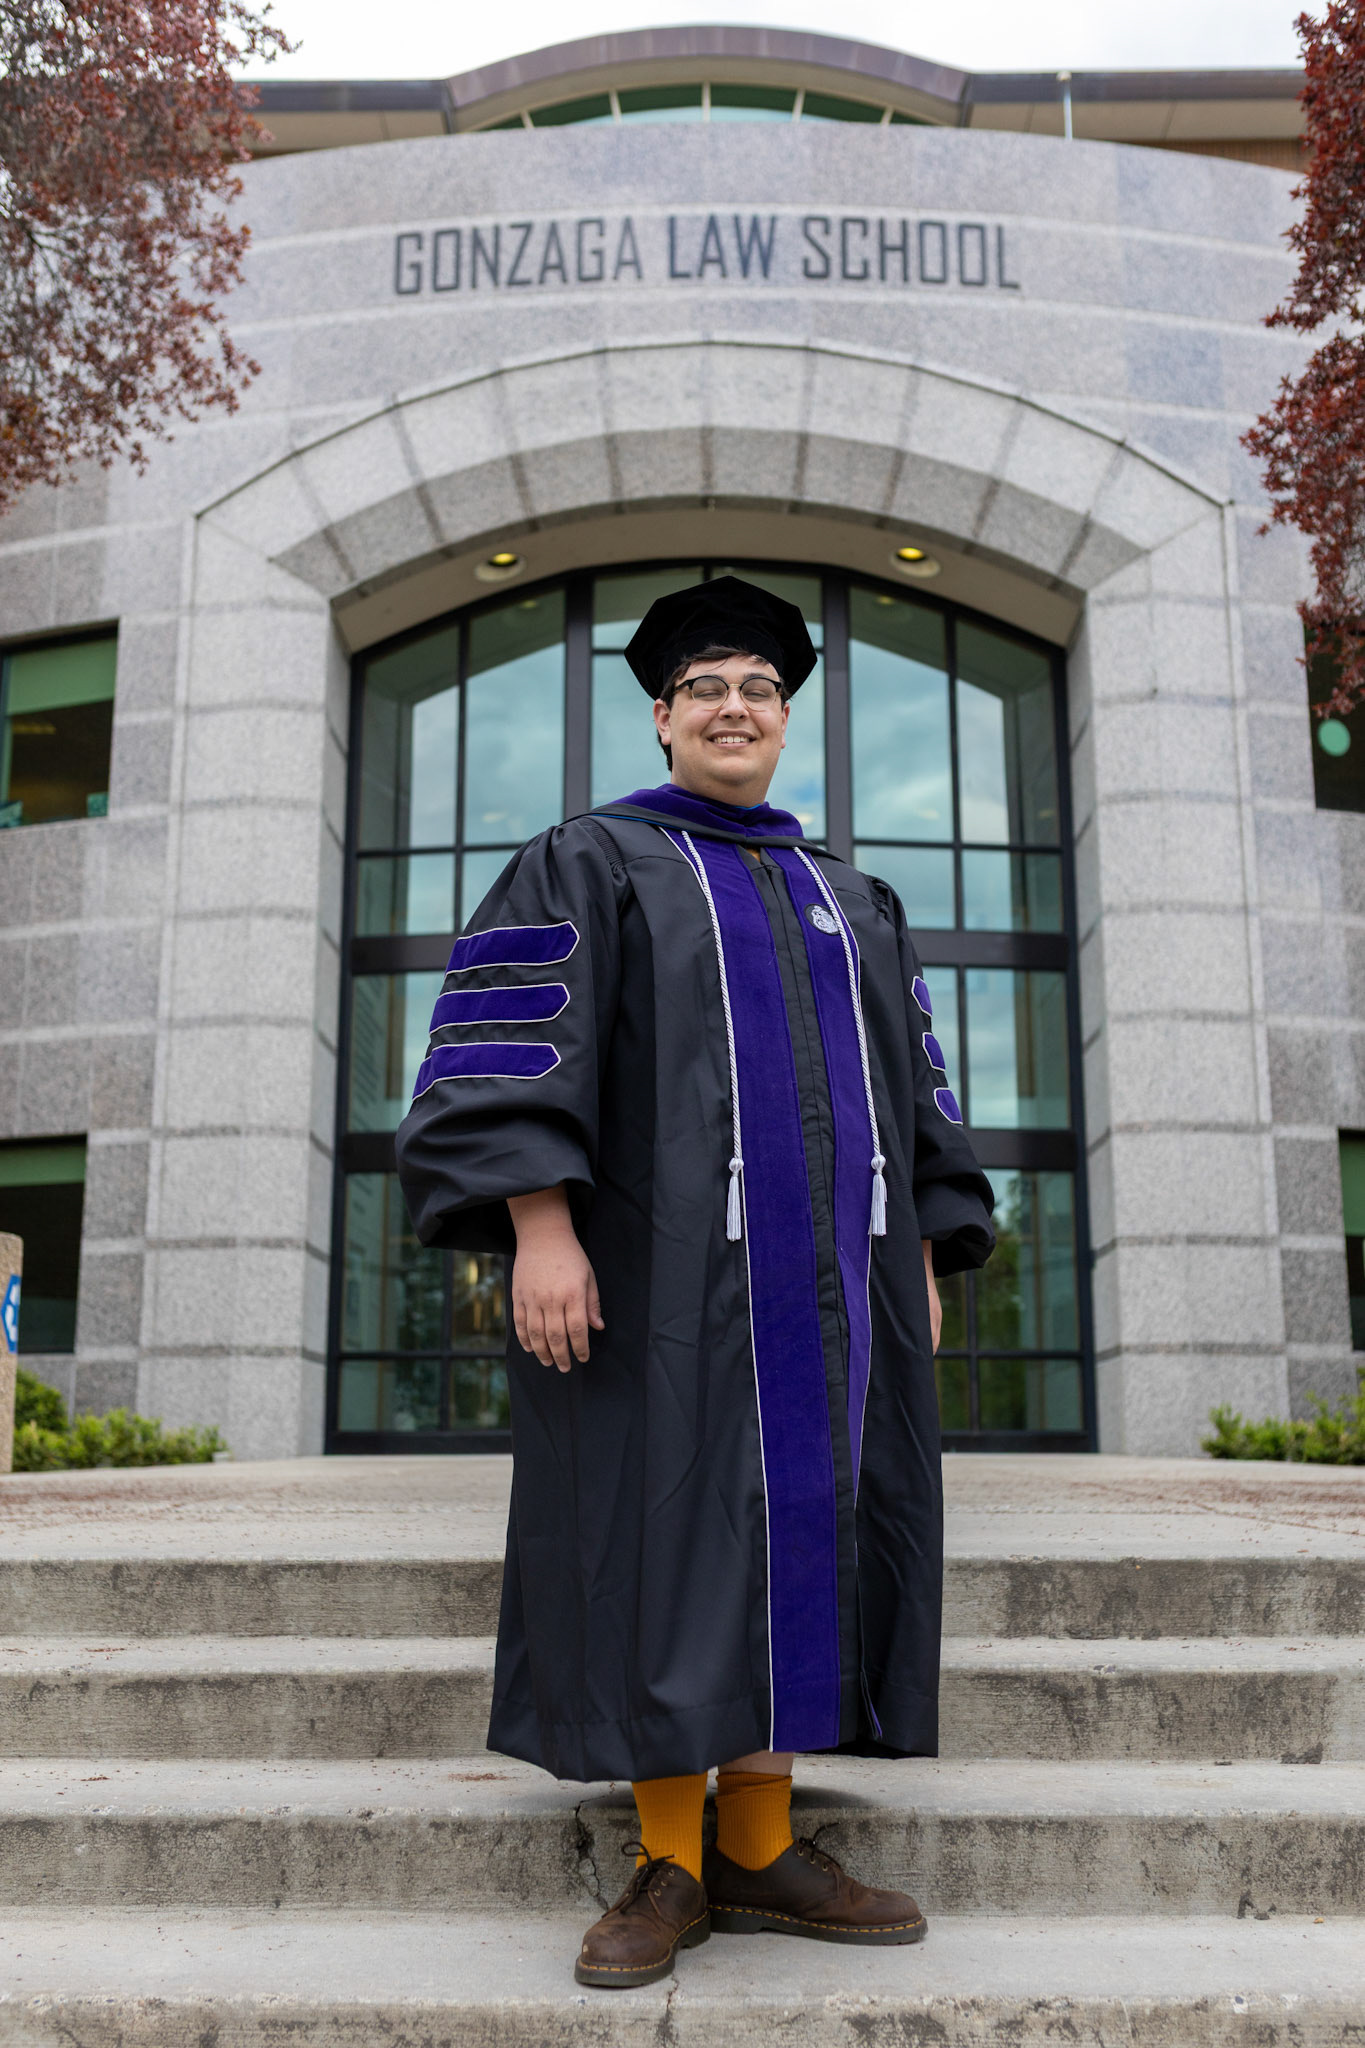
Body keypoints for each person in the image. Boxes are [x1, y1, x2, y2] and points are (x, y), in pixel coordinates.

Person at [396, 575, 995, 1987]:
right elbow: (510, 1053)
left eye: (759, 690)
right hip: (652, 1284)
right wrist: (540, 1230)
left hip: (835, 1296)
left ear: (784, 722)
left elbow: (914, 1097)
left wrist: (916, 1257)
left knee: (809, 1532)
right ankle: (669, 1858)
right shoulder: (588, 863)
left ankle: (761, 1845)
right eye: (706, 689)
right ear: (663, 719)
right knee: (662, 1540)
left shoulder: (852, 898)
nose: (735, 708)